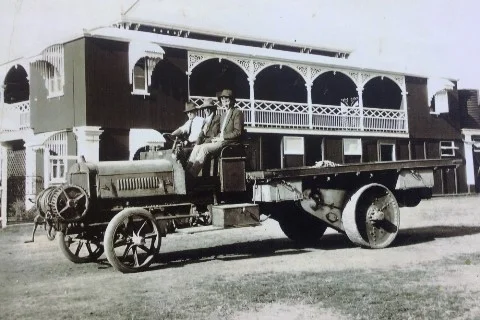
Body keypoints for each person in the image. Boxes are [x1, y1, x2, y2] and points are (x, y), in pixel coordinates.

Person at [186, 89, 244, 176]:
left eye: (227, 100)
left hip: (230, 143)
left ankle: (192, 174)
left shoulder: (237, 113)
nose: (224, 102)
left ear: (232, 100)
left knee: (204, 149)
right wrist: (216, 138)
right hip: (221, 140)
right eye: (223, 100)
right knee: (198, 147)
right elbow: (220, 131)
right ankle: (187, 171)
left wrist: (223, 137)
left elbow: (238, 132)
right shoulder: (223, 115)